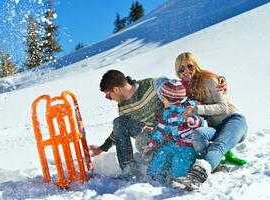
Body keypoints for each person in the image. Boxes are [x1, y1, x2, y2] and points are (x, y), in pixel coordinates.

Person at [174, 52, 248, 189]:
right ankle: (213, 165)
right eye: (181, 68)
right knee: (198, 134)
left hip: (233, 120)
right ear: (177, 72)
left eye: (190, 66)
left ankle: (196, 176)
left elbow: (223, 107)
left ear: (195, 65)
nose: (186, 71)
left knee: (218, 146)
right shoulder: (182, 89)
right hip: (214, 127)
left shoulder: (209, 80)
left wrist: (197, 109)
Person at [89, 69, 164, 177]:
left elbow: (177, 93)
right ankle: (128, 170)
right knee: (120, 122)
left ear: (116, 89)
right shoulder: (123, 106)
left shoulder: (151, 86)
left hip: (166, 132)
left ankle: (159, 165)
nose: (109, 99)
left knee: (142, 140)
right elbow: (119, 130)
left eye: (108, 95)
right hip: (146, 136)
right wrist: (103, 147)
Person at [143, 79, 206, 183]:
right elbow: (160, 129)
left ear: (173, 100)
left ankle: (178, 179)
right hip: (174, 142)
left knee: (179, 162)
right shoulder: (167, 113)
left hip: (188, 146)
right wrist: (151, 144)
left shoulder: (188, 109)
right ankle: (154, 176)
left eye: (164, 99)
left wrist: (192, 120)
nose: (162, 101)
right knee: (161, 154)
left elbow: (201, 122)